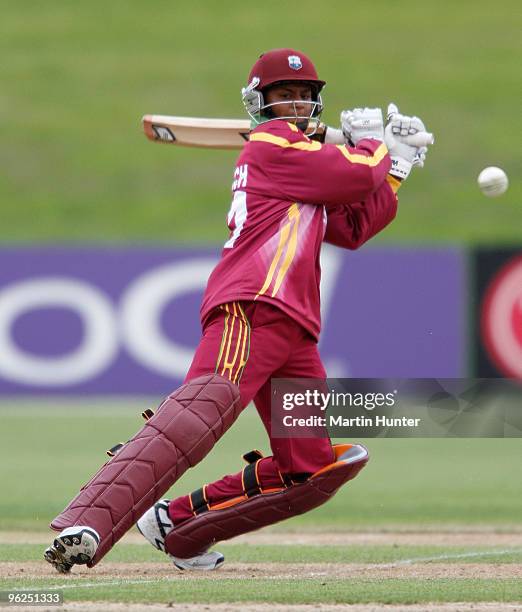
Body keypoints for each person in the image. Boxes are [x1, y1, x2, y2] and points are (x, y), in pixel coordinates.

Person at [45, 48, 433, 573]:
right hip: (250, 308)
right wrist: (374, 146)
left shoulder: (307, 165)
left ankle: (175, 524)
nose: (295, 105)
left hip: (294, 329)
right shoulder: (272, 148)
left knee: (314, 468)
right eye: (283, 96)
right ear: (260, 104)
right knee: (197, 417)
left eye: (303, 96)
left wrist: (397, 164)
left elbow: (352, 227)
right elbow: (355, 174)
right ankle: (87, 520)